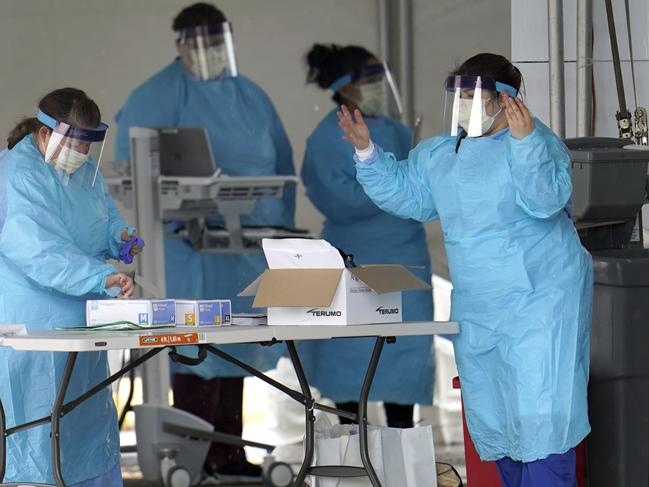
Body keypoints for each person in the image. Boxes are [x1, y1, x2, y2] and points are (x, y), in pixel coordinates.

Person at [338, 53, 592, 487]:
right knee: (496, 422)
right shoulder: (443, 154)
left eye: (474, 95)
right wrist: (366, 152)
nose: (463, 104)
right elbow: (408, 195)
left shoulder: (534, 142)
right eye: (458, 94)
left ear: (504, 100)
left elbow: (546, 200)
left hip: (540, 303)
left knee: (542, 420)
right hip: (479, 307)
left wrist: (527, 143)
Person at [115, 2, 295, 479]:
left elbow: (280, 161)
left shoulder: (250, 96)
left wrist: (275, 232)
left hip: (241, 246)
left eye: (220, 44)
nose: (213, 53)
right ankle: (192, 458)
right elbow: (130, 167)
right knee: (191, 351)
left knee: (234, 348)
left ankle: (228, 454)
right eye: (204, 45)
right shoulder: (157, 95)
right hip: (183, 250)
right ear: (180, 46)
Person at [0, 88, 141, 485]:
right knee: (37, 426)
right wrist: (99, 277)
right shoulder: (18, 173)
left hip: (81, 318)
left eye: (86, 143)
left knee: (83, 418)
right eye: (73, 141)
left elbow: (102, 214)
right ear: (45, 133)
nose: (79, 153)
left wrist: (120, 235)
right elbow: (37, 248)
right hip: (30, 320)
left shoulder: (79, 172)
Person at [299, 43, 434, 427]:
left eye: (380, 79)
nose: (379, 88)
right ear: (345, 88)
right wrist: (396, 188)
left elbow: (423, 186)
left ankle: (399, 461)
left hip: (406, 261)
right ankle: (351, 462)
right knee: (350, 365)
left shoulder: (397, 130)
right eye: (369, 81)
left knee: (403, 360)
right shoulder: (327, 138)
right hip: (354, 260)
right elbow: (342, 200)